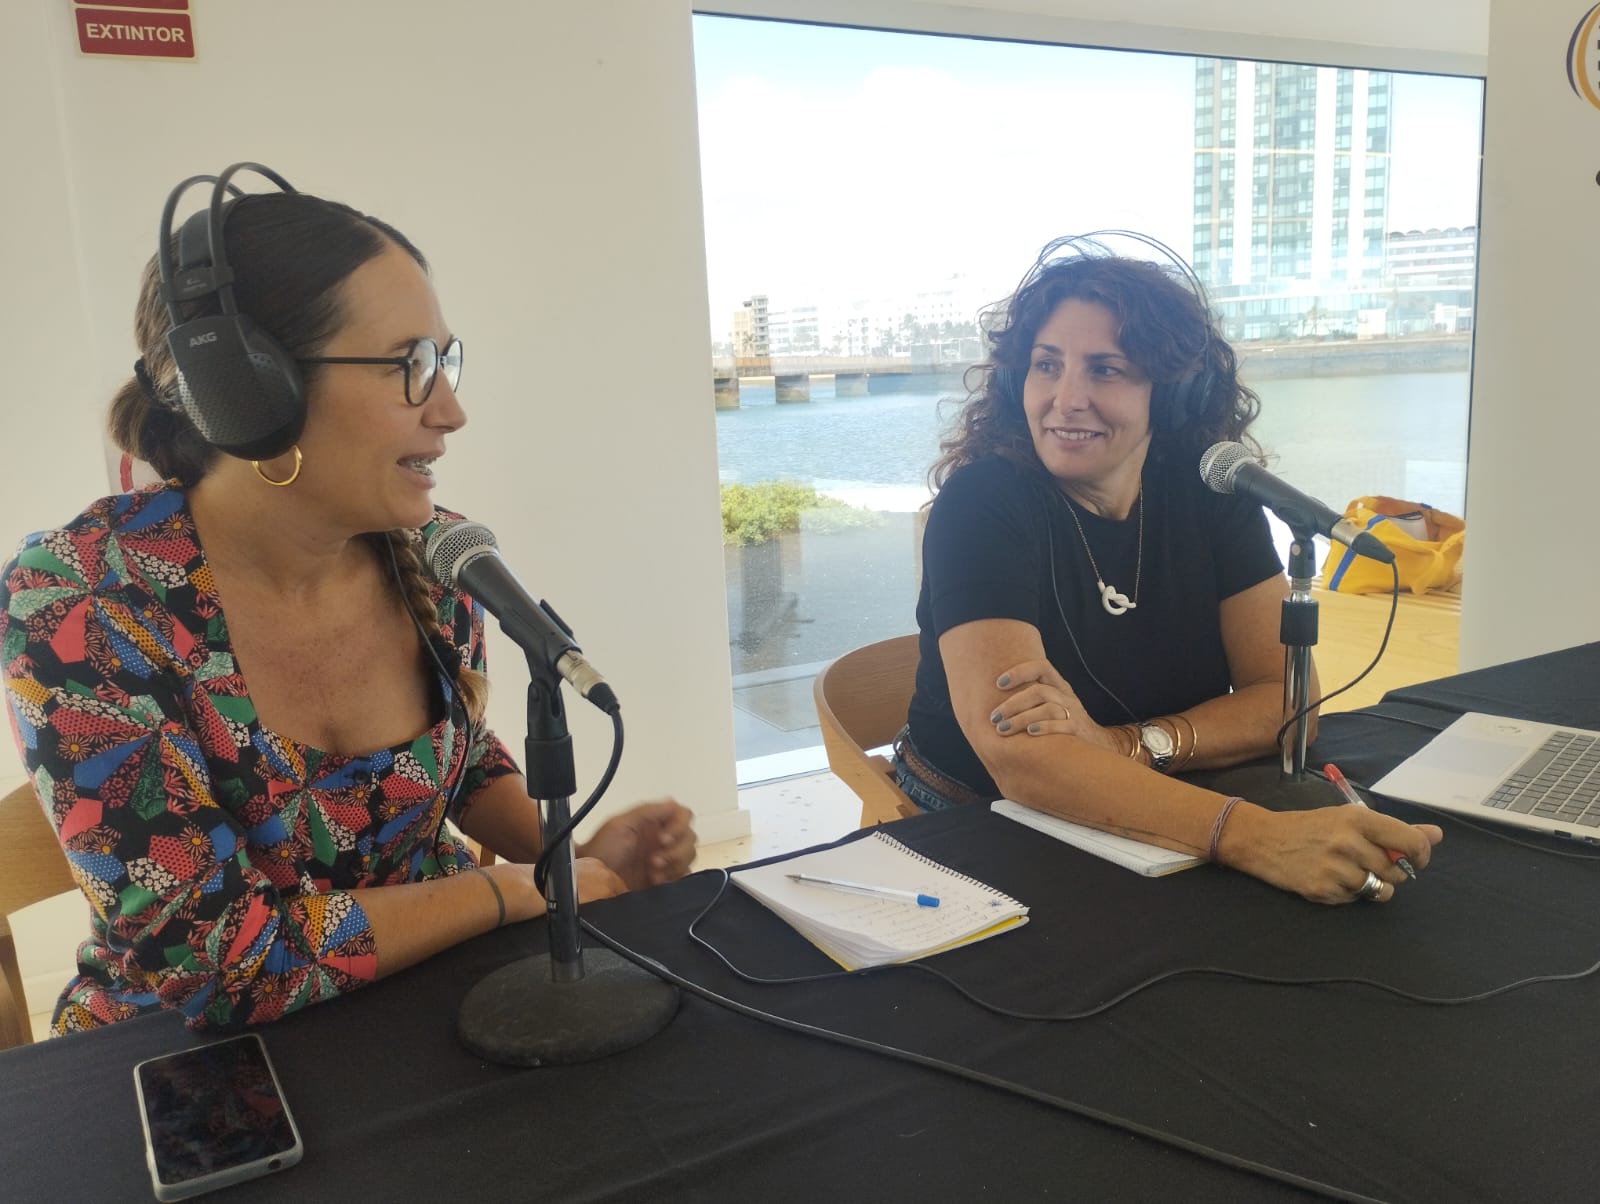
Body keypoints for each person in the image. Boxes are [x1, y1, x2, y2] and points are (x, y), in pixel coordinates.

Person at [0, 167, 695, 1033]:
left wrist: (570, 851)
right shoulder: (83, 603)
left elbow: (460, 761)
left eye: (444, 358)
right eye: (410, 364)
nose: (451, 409)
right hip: (196, 1066)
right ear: (252, 394)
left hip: (429, 1006)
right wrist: (516, 890)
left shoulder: (438, 559)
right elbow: (216, 961)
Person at [895, 234, 1439, 906]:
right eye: (1047, 365)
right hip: (973, 808)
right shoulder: (984, 503)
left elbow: (1286, 699)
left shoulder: (1213, 488)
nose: (1066, 398)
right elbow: (1024, 759)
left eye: (1106, 369)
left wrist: (1122, 745)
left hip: (1162, 791)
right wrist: (1255, 837)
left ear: (1174, 393)